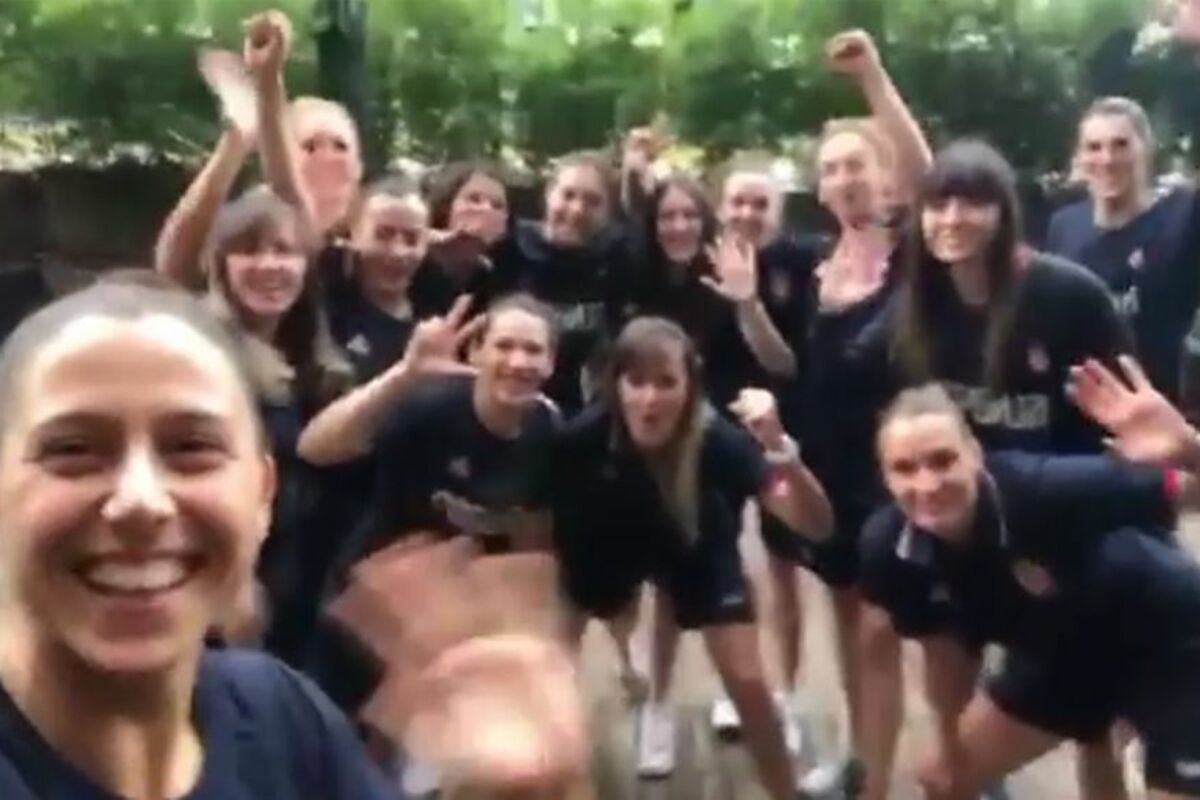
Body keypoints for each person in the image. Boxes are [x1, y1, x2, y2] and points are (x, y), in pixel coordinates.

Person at [0, 282, 393, 798]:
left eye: (191, 447)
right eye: (73, 450)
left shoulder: (283, 719)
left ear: (263, 494)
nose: (141, 501)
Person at [861, 377, 1200, 800]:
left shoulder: (1045, 489)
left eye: (943, 460)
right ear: (884, 476)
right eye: (905, 469)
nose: (927, 485)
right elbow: (946, 657)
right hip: (1063, 654)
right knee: (942, 779)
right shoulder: (889, 549)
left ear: (975, 455)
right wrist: (949, 747)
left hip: (1168, 642)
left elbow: (1190, 489)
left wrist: (1189, 446)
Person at [551, 316, 833, 800]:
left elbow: (813, 524)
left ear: (689, 388)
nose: (649, 399)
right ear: (615, 385)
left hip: (697, 548)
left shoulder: (719, 440)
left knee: (748, 682)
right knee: (549, 671)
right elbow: (543, 528)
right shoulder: (581, 440)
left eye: (666, 383)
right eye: (636, 382)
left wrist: (780, 450)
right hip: (606, 546)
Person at [1046, 96, 1200, 400]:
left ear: (1147, 148)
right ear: (1079, 156)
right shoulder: (1063, 225)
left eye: (1121, 145)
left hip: (1156, 408)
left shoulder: (1184, 215)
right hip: (1073, 411)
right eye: (1094, 147)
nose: (1107, 159)